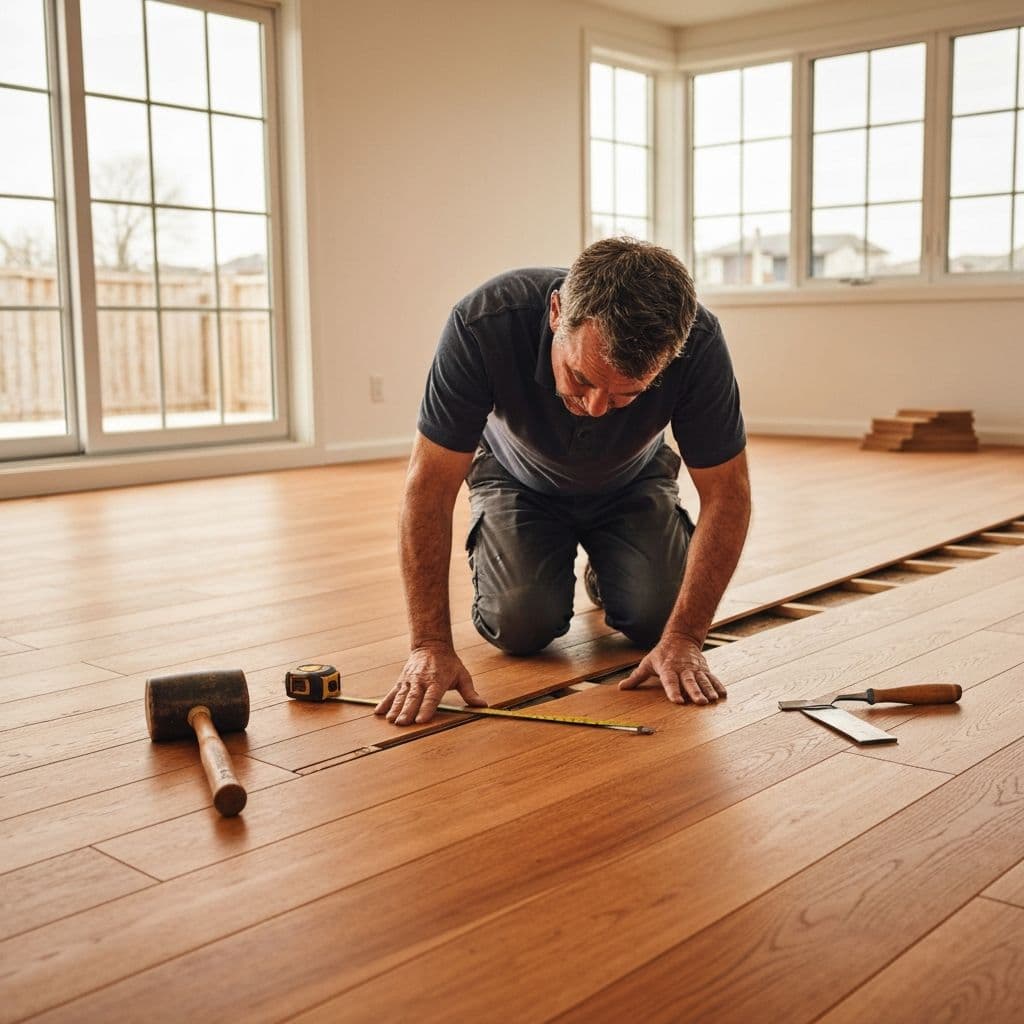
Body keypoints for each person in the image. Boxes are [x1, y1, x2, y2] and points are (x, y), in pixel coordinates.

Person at [375, 237, 751, 727]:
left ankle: (609, 568)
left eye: (625, 395)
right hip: (515, 478)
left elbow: (728, 493)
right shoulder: (482, 323)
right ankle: (564, 560)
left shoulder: (698, 342)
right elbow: (428, 487)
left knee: (658, 618)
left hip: (632, 480)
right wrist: (428, 645)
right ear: (557, 313)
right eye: (582, 378)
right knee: (520, 624)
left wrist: (685, 637)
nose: (596, 408)